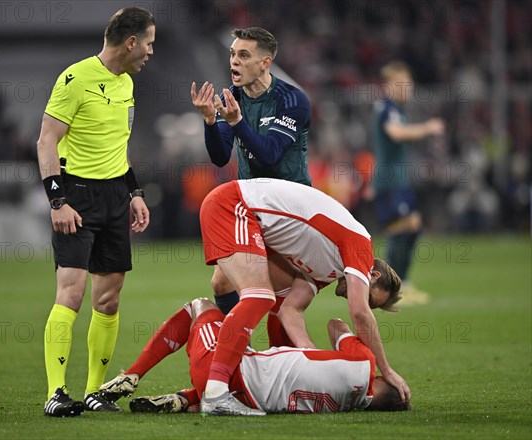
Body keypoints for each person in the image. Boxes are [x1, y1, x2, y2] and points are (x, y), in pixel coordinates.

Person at [167, 178, 407, 415]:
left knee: (230, 287)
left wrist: (310, 357)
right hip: (236, 205)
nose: (361, 299)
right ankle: (217, 391)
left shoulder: (328, 267)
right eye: (370, 297)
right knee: (260, 296)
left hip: (242, 210)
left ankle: (202, 385)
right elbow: (359, 313)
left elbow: (290, 311)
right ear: (372, 275)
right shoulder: (360, 244)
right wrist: (385, 369)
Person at [36, 7, 154, 417]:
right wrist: (57, 200)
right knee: (71, 292)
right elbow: (46, 142)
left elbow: (116, 147)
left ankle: (93, 392)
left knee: (109, 299)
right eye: (150, 43)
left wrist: (134, 191)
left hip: (114, 198)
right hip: (77, 196)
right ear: (131, 42)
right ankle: (55, 393)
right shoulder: (75, 78)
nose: (152, 52)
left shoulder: (126, 84)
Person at [100, 297, 410, 415]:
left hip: (224, 371)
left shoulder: (364, 365)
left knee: (199, 306)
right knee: (263, 366)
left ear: (383, 381)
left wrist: (383, 363)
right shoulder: (343, 406)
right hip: (247, 397)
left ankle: (132, 374)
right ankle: (185, 399)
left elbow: (337, 325)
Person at [190, 27, 312, 318]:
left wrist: (237, 123)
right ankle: (239, 349)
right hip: (252, 205)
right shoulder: (233, 97)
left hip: (289, 206)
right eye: (232, 54)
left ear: (265, 63)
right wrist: (210, 121)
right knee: (221, 282)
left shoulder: (292, 100)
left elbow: (269, 155)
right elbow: (220, 158)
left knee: (276, 295)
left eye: (244, 55)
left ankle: (276, 355)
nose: (234, 61)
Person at [371, 61, 445, 304]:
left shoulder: (393, 107)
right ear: (389, 85)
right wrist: (428, 127)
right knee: (401, 228)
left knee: (412, 225)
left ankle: (402, 282)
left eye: (408, 83)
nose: (407, 87)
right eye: (401, 83)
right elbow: (396, 133)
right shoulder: (387, 108)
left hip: (397, 180)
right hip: (389, 180)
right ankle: (390, 289)